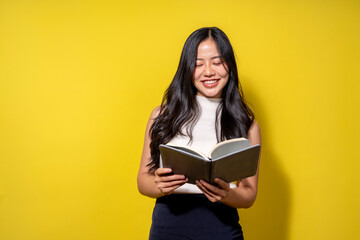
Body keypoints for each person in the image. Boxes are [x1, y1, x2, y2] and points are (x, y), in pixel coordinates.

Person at [137, 27, 261, 240]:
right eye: (198, 64)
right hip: (168, 227)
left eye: (217, 61)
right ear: (186, 69)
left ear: (229, 65)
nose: (209, 71)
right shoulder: (162, 115)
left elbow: (249, 194)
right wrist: (159, 185)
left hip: (221, 227)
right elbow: (142, 180)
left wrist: (227, 194)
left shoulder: (246, 123)